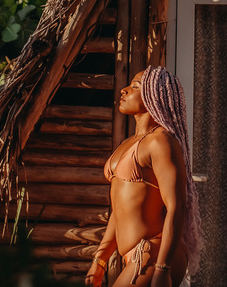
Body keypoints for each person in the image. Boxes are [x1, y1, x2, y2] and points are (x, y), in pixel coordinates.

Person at [86, 66, 200, 287]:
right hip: (137, 256)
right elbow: (119, 211)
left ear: (154, 96)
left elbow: (176, 206)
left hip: (156, 253)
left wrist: (163, 268)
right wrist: (99, 259)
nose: (124, 90)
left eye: (135, 86)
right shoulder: (128, 143)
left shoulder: (160, 142)